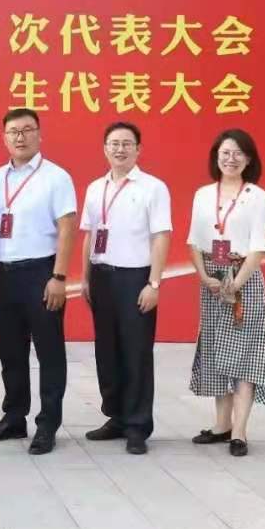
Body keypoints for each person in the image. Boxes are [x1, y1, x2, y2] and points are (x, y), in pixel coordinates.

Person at [0, 108, 77, 455]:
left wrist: (59, 276)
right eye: (13, 132)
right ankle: (14, 417)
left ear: (39, 134)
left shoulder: (56, 177)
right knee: (11, 351)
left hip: (41, 273)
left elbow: (67, 228)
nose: (20, 137)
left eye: (27, 130)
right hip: (4, 274)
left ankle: (48, 424)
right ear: (4, 137)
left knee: (49, 352)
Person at [79, 122, 171, 455]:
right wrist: (85, 278)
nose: (120, 149)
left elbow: (161, 236)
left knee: (136, 352)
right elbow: (89, 235)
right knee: (107, 351)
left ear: (138, 149)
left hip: (136, 278)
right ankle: (116, 416)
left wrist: (154, 283)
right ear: (104, 148)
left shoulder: (153, 188)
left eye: (127, 143)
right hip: (101, 277)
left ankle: (137, 425)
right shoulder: (95, 188)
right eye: (114, 143)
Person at [187, 128, 265, 457]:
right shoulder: (202, 194)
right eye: (225, 152)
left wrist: (236, 283)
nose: (231, 158)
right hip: (212, 279)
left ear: (249, 159)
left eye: (238, 153)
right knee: (216, 350)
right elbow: (194, 241)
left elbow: (258, 245)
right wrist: (204, 277)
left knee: (246, 353)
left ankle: (239, 431)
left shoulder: (257, 196)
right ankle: (221, 425)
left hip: (245, 280)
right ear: (216, 157)